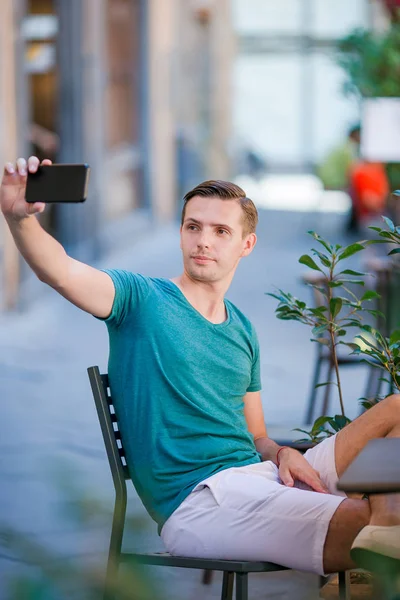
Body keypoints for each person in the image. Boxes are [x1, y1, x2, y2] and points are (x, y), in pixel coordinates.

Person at [1, 156, 400, 578]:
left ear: (246, 244)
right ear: (180, 234)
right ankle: (381, 536)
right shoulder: (141, 300)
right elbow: (60, 272)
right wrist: (20, 219)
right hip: (202, 502)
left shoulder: (242, 328)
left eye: (220, 231)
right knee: (363, 524)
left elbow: (256, 435)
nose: (203, 241)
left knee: (395, 409)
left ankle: (384, 534)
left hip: (263, 475)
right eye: (193, 226)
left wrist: (284, 453)